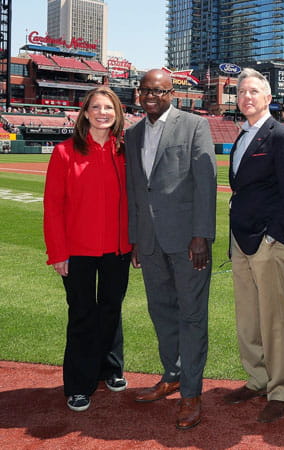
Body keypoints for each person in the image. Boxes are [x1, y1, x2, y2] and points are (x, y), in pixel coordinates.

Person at [126, 69, 217, 430]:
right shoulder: (133, 134)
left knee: (192, 316)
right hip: (149, 242)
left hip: (187, 241)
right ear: (138, 93)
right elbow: (137, 191)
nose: (151, 96)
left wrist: (201, 236)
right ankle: (173, 375)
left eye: (159, 91)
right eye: (146, 90)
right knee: (161, 312)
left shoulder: (194, 125)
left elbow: (206, 182)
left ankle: (192, 393)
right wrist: (135, 238)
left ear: (172, 93)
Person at [224, 68, 284, 423]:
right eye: (242, 92)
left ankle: (282, 390)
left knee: (275, 320)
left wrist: (273, 235)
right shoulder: (241, 136)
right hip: (241, 240)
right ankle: (257, 378)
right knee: (248, 318)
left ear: (268, 98)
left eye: (254, 92)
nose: (247, 97)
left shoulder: (282, 136)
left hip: (268, 242)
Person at [43, 87, 131, 412]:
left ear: (117, 113)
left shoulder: (125, 151)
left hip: (118, 249)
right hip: (77, 250)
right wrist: (58, 252)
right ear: (86, 112)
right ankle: (79, 384)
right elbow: (53, 206)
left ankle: (110, 367)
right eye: (96, 107)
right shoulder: (65, 152)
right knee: (82, 314)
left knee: (111, 309)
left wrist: (133, 244)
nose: (103, 112)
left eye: (109, 107)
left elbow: (134, 202)